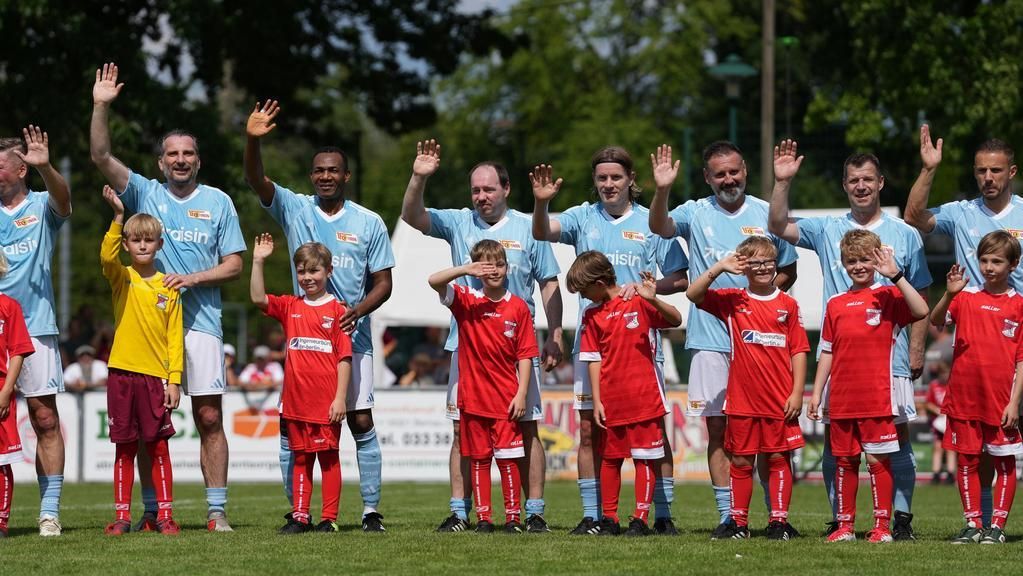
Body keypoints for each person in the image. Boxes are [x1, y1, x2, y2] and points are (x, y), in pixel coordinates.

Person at [91, 63, 246, 532]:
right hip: (149, 335)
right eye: (173, 154)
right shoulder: (144, 192)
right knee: (143, 428)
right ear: (160, 162)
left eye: (188, 154)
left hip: (201, 325)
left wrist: (192, 279)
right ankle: (154, 509)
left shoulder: (219, 201)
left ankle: (216, 511)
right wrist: (100, 105)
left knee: (208, 415)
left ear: (199, 161)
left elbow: (235, 264)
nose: (180, 160)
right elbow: (100, 154)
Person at [767, 140, 931, 539]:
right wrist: (782, 182)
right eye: (854, 180)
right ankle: (842, 518)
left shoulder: (904, 234)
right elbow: (776, 226)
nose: (861, 186)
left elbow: (922, 293)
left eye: (868, 180)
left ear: (881, 184)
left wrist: (916, 347)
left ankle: (900, 519)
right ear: (845, 185)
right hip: (841, 361)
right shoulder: (827, 228)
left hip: (889, 356)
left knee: (895, 438)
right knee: (836, 447)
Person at [244, 100, 393, 532]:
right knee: (294, 428)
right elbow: (256, 179)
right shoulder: (294, 207)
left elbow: (384, 283)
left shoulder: (369, 222)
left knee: (360, 420)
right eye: (319, 171)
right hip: (305, 341)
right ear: (312, 176)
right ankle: (299, 512)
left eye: (334, 170)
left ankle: (370, 511)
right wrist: (252, 140)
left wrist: (356, 312)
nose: (326, 176)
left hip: (353, 339)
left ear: (345, 176)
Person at [401, 139, 562, 533]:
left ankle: (534, 511)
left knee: (527, 427)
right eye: (475, 190)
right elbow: (411, 215)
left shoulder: (529, 227)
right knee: (462, 429)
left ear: (506, 189)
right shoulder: (458, 221)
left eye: (489, 189)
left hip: (516, 347)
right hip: (467, 347)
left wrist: (555, 334)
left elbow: (548, 283)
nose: (481, 196)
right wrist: (419, 177)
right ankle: (461, 511)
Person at [532, 146, 689, 536]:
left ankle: (662, 515)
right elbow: (540, 232)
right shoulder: (583, 217)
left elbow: (680, 278)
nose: (608, 184)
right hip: (595, 338)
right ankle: (595, 515)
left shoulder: (651, 222)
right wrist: (540, 204)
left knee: (652, 433)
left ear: (631, 180)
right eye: (601, 178)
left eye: (615, 177)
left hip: (638, 342)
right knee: (589, 429)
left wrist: (645, 289)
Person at [648, 141, 797, 538]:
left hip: (762, 344)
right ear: (707, 178)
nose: (728, 179)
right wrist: (662, 189)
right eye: (720, 174)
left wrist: (754, 305)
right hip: (711, 339)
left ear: (745, 169)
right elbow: (659, 227)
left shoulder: (769, 213)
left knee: (770, 436)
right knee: (719, 431)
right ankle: (729, 517)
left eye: (734, 171)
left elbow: (789, 272)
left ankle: (776, 519)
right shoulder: (695, 211)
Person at [902, 127, 1022, 527]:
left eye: (996, 171)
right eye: (981, 171)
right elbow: (914, 217)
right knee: (981, 445)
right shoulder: (961, 212)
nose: (988, 178)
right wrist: (928, 169)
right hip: (977, 341)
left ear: (1012, 172)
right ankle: (983, 523)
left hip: (1017, 335)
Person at [808, 230, 929, 543]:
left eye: (864, 259)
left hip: (877, 397)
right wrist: (817, 392)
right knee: (845, 461)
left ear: (876, 259)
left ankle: (882, 527)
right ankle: (845, 527)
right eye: (852, 260)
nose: (858, 265)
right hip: (842, 399)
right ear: (843, 264)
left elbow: (921, 311)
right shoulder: (835, 303)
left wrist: (896, 275)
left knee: (877, 461)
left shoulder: (888, 296)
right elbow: (828, 351)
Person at [686, 236, 810, 540]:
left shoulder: (788, 304)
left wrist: (797, 392)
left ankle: (778, 522)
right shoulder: (733, 300)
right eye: (755, 262)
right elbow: (693, 294)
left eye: (768, 261)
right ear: (744, 267)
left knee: (779, 459)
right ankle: (738, 523)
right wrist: (719, 267)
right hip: (742, 400)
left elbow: (799, 350)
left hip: (780, 401)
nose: (764, 267)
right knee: (741, 461)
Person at [428, 240, 538, 533]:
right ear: (477, 270)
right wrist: (465, 269)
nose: (494, 271)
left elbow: (526, 354)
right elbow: (433, 280)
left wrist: (521, 393)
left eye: (499, 265)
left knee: (508, 461)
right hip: (472, 400)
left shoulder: (518, 307)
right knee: (478, 460)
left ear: (507, 267)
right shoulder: (466, 300)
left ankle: (514, 518)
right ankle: (484, 519)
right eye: (487, 266)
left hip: (506, 401)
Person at [569, 251, 682, 537]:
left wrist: (652, 297)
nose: (583, 295)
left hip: (644, 397)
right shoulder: (591, 313)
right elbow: (593, 358)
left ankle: (640, 519)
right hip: (611, 399)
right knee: (610, 458)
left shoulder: (637, 299)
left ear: (597, 281)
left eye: (583, 289)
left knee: (645, 458)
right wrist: (596, 400)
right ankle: (609, 518)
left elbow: (676, 319)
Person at [252, 235, 352, 534]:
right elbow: (258, 298)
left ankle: (329, 518)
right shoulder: (290, 306)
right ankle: (300, 516)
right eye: (302, 271)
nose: (308, 277)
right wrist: (257, 261)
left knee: (329, 460)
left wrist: (340, 398)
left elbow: (344, 358)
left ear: (328, 272)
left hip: (325, 403)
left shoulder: (339, 310)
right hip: (295, 402)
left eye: (314, 271)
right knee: (301, 458)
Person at [928, 231, 1023, 545]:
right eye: (984, 260)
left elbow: (1022, 361)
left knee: (1004, 463)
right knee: (967, 461)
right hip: (964, 398)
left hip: (999, 401)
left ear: (1013, 264)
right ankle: (972, 524)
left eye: (997, 261)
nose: (989, 267)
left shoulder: (1019, 305)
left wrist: (1014, 403)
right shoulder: (966, 298)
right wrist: (949, 294)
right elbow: (937, 320)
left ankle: (996, 528)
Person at [99, 186, 183, 535]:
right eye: (136, 241)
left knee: (159, 447)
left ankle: (164, 515)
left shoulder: (170, 286)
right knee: (125, 448)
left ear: (159, 244)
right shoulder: (123, 278)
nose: (143, 245)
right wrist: (118, 219)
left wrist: (174, 379)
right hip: (122, 373)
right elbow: (106, 258)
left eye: (149, 240)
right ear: (128, 245)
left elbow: (174, 337)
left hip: (155, 378)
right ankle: (121, 516)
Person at [0, 126, 71, 536]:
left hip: (37, 328)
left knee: (44, 418)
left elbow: (64, 201)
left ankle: (49, 511)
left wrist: (47, 168)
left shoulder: (43, 204)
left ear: (20, 168)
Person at [0, 251, 35, 538]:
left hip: (0, 392)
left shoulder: (9, 307)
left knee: (1, 461)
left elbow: (19, 351)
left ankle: (1, 521)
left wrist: (7, 390)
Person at [923, 359, 955, 485]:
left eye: (946, 373)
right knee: (937, 446)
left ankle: (950, 473)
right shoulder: (934, 385)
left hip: (950, 420)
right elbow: (927, 403)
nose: (944, 376)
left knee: (951, 448)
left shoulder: (953, 385)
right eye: (942, 373)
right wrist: (938, 410)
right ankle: (935, 474)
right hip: (938, 421)